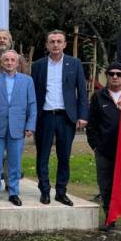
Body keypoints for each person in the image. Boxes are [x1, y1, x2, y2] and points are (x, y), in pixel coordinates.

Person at [31, 30, 88, 206]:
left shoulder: (75, 63)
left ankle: (61, 192)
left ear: (64, 44)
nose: (55, 45)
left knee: (64, 156)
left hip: (66, 117)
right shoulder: (38, 65)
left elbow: (82, 91)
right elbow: (32, 93)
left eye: (59, 41)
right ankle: (45, 190)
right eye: (52, 41)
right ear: (47, 45)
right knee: (43, 155)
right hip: (45, 116)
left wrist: (82, 115)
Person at [86, 62, 121, 235]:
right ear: (107, 76)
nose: (115, 77)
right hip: (105, 151)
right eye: (111, 74)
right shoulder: (98, 96)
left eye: (118, 74)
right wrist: (96, 146)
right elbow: (92, 124)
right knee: (106, 186)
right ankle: (110, 219)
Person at [0, 50, 37, 206]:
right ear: (2, 62)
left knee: (15, 162)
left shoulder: (27, 81)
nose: (9, 62)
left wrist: (30, 125)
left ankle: (14, 192)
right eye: (6, 60)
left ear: (18, 63)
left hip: (17, 127)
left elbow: (32, 105)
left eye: (13, 60)